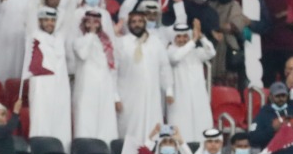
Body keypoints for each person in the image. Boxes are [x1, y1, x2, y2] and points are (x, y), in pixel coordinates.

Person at [116, 8, 172, 143]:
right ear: (128, 24)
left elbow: (164, 67)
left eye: (140, 21)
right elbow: (113, 72)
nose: (137, 24)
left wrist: (169, 90)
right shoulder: (121, 43)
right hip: (128, 97)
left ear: (145, 23)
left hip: (152, 97)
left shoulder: (156, 42)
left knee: (153, 128)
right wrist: (115, 97)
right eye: (133, 21)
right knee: (129, 130)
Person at [72, 9, 119, 144]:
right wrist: (91, 35)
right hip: (86, 88)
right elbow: (83, 54)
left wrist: (115, 95)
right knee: (86, 121)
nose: (93, 25)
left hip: (105, 86)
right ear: (84, 24)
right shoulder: (79, 41)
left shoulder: (106, 42)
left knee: (105, 121)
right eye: (89, 22)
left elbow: (112, 67)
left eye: (96, 23)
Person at [27, 8, 71, 148]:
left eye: (52, 20)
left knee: (60, 120)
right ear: (40, 21)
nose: (50, 23)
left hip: (60, 86)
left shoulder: (60, 38)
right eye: (46, 20)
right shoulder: (34, 35)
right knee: (41, 119)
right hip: (41, 86)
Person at [166, 22, 216, 142]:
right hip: (179, 99)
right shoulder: (170, 51)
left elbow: (211, 52)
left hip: (198, 98)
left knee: (201, 127)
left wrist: (201, 37)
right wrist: (193, 41)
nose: (182, 39)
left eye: (185, 36)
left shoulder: (196, 52)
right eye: (178, 36)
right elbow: (176, 58)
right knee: (181, 129)